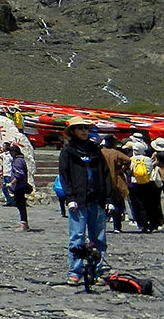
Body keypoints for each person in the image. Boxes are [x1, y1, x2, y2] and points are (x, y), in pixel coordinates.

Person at [58, 117, 112, 286]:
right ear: (73, 131)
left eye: (85, 128)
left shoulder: (95, 150)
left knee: (99, 239)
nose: (83, 131)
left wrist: (109, 199)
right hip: (78, 201)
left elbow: (105, 175)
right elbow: (64, 177)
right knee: (77, 238)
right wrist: (70, 198)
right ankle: (75, 271)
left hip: (97, 199)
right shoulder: (67, 152)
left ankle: (96, 270)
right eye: (80, 128)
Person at [126, 140, 162, 233]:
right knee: (149, 204)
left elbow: (129, 172)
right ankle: (153, 223)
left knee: (138, 205)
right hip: (148, 183)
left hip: (135, 183)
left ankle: (143, 224)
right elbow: (149, 170)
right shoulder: (147, 159)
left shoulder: (131, 159)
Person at [99, 135, 131, 234]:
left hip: (101, 180)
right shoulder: (115, 153)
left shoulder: (99, 152)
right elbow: (128, 160)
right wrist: (120, 170)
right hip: (116, 180)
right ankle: (117, 226)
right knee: (117, 203)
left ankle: (100, 225)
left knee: (101, 204)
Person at [5, 144, 31, 231]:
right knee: (19, 204)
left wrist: (11, 183)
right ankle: (23, 221)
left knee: (20, 204)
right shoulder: (20, 160)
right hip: (21, 185)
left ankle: (24, 223)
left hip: (19, 186)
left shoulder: (18, 161)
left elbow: (18, 174)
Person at [0, 142, 15, 207]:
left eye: (4, 146)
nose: (3, 147)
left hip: (9, 174)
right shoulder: (4, 154)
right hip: (5, 174)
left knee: (10, 188)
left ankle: (14, 199)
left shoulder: (10, 155)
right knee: (4, 188)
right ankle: (9, 200)